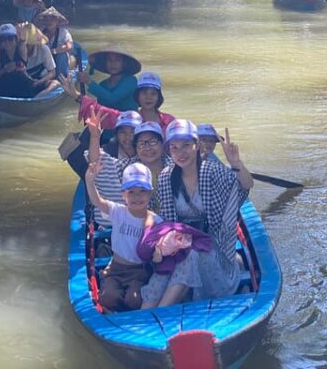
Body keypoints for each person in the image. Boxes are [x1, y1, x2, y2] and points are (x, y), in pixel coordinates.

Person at [156, 119, 254, 300]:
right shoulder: (166, 177)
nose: (180, 153)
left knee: (193, 255)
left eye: (186, 146)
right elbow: (169, 222)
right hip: (180, 241)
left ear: (197, 145)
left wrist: (236, 163)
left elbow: (245, 186)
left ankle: (164, 309)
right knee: (181, 258)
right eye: (174, 148)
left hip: (213, 241)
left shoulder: (212, 171)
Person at [85, 160, 161, 312]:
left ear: (150, 193)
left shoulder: (155, 220)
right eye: (131, 192)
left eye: (142, 191)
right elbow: (97, 201)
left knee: (134, 300)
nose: (137, 197)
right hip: (116, 268)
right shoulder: (118, 211)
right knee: (108, 298)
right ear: (123, 195)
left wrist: (158, 252)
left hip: (140, 271)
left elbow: (159, 245)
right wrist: (89, 181)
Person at [65, 71, 176, 132]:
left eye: (153, 94)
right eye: (144, 93)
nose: (148, 97)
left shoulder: (169, 121)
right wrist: (77, 96)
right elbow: (102, 111)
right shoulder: (129, 118)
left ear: (158, 97)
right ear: (137, 96)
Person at [86, 109, 142, 228]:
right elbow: (94, 161)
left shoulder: (145, 157)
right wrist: (95, 137)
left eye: (132, 132)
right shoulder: (108, 155)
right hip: (107, 224)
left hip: (134, 224)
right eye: (122, 132)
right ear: (116, 134)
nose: (127, 136)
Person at [0, 23, 46, 98]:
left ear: (15, 39)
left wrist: (23, 36)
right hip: (5, 88)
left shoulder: (21, 49)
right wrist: (4, 69)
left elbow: (23, 43)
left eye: (10, 39)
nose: (7, 42)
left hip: (22, 87)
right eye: (3, 39)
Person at [21, 24, 60, 97]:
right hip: (22, 83)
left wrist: (39, 82)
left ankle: (37, 98)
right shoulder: (16, 50)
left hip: (38, 81)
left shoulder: (44, 49)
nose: (25, 46)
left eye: (28, 44)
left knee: (55, 83)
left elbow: (52, 72)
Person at [37, 6, 73, 78]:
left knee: (62, 55)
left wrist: (53, 51)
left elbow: (69, 47)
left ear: (57, 21)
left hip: (59, 60)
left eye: (52, 18)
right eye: (46, 19)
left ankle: (60, 78)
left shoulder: (63, 32)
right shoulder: (39, 31)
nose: (49, 21)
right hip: (44, 60)